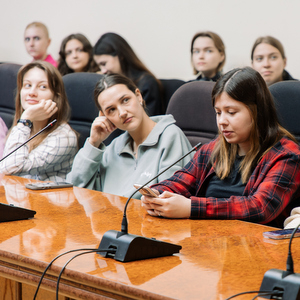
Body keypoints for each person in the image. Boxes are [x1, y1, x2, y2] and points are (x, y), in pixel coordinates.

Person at [141, 67, 300, 228]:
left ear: (258, 112)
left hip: (256, 246)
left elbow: (260, 208)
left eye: (231, 112)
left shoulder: (287, 155)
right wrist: (156, 194)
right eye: (218, 112)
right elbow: (180, 181)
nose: (222, 121)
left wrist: (190, 208)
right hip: (205, 241)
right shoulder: (213, 149)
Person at [67, 73, 193, 199]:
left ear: (138, 96)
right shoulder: (114, 147)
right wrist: (93, 143)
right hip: (106, 216)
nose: (122, 113)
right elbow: (74, 189)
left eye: (125, 100)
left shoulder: (170, 136)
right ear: (104, 116)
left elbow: (169, 199)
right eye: (111, 110)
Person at [0, 61, 78, 182]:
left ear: (55, 96)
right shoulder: (24, 128)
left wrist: (26, 119)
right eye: (27, 85)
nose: (32, 92)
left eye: (42, 87)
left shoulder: (64, 137)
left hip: (45, 200)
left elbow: (10, 168)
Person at [93, 32, 163, 116]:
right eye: (99, 66)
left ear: (120, 56)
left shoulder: (146, 83)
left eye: (104, 64)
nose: (103, 71)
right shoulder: (111, 84)